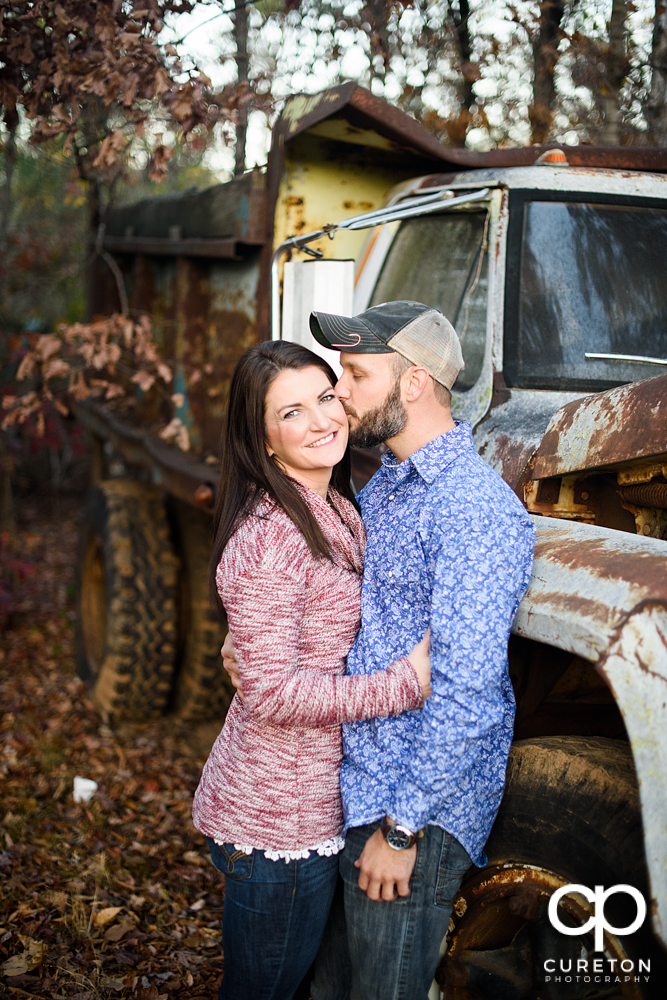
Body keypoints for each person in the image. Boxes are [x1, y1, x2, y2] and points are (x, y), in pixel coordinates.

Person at [223, 302, 535, 1000]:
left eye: (356, 376)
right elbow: (317, 588)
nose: (340, 395)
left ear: (413, 383)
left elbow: (467, 692)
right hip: (355, 786)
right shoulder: (387, 483)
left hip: (409, 808)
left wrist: (401, 832)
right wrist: (245, 627)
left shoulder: (471, 509)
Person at [191, 340, 432, 1000]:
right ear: (263, 440)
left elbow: (281, 651)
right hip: (278, 821)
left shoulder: (336, 507)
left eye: (326, 397)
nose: (323, 420)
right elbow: (273, 693)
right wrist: (404, 686)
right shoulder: (273, 536)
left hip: (313, 798)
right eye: (292, 412)